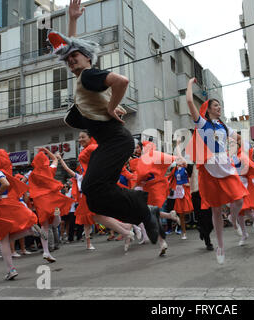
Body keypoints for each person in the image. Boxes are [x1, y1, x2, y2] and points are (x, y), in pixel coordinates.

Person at [46, 0, 163, 246]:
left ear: (87, 58)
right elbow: (71, 48)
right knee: (93, 195)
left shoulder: (89, 75)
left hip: (117, 141)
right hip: (110, 142)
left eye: (75, 57)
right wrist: (73, 19)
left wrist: (110, 107)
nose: (70, 61)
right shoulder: (83, 79)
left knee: (94, 186)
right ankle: (145, 213)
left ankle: (144, 209)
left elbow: (122, 81)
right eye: (67, 60)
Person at [186, 78, 248, 264]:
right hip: (210, 170)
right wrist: (190, 84)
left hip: (226, 166)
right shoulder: (203, 124)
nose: (219, 108)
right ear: (209, 109)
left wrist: (240, 148)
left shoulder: (224, 126)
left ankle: (233, 217)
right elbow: (189, 101)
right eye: (215, 105)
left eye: (220, 105)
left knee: (239, 199)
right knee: (215, 210)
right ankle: (220, 246)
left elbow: (239, 138)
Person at [56, 131, 135, 252]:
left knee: (102, 215)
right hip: (89, 191)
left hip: (95, 189)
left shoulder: (93, 149)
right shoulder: (82, 170)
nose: (80, 139)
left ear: (90, 137)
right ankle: (127, 229)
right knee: (96, 217)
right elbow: (69, 169)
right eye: (79, 137)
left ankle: (128, 230)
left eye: (83, 137)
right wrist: (60, 160)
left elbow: (106, 155)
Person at [0, 150, 46, 280]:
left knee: (3, 240)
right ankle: (29, 231)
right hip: (3, 204)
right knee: (6, 239)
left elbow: (6, 184)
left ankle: (11, 269)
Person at [29, 148, 74, 262]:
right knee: (57, 222)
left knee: (45, 226)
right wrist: (48, 152)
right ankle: (37, 232)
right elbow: (55, 159)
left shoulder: (32, 174)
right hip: (52, 201)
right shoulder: (50, 169)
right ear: (45, 161)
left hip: (40, 202)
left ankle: (46, 251)